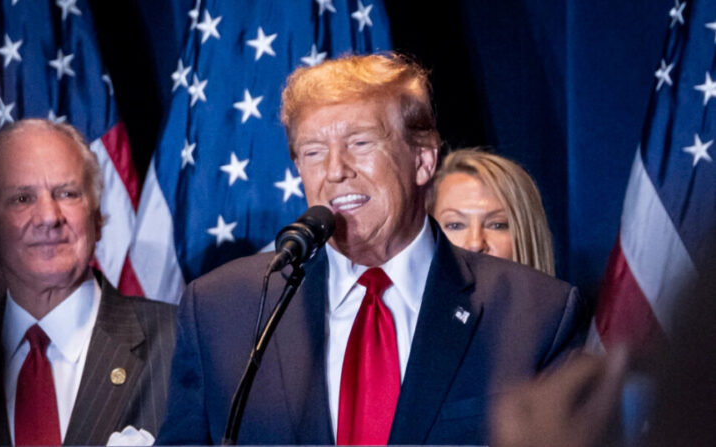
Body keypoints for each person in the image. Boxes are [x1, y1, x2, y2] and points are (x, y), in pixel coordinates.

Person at [158, 53, 589, 445]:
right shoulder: (222, 309)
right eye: (313, 152)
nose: (335, 171)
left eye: (360, 143)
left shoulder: (536, 314)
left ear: (423, 160)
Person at [0, 119, 177, 445]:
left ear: (97, 219)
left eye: (67, 194)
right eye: (22, 199)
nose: (48, 217)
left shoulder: (179, 343)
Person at [428, 148, 555, 276]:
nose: (475, 244)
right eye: (455, 225)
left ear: (527, 236)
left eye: (497, 225)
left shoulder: (562, 295)